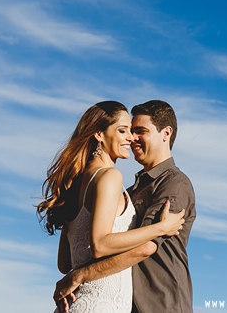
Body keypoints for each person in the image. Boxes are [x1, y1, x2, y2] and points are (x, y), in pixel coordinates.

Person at [38, 100, 187, 313]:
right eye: (123, 130)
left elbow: (64, 263)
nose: (131, 137)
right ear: (99, 134)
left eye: (134, 131)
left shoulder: (77, 183)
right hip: (103, 305)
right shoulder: (110, 177)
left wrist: (78, 274)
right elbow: (100, 245)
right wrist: (161, 228)